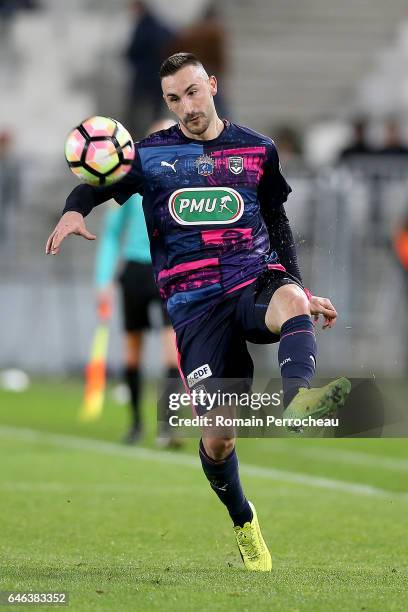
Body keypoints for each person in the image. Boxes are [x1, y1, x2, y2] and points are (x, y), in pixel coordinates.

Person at [46, 53, 351, 572]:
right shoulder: (150, 156)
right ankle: (244, 520)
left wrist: (297, 284)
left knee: (294, 303)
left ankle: (298, 401)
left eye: (192, 92)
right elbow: (96, 185)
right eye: (173, 99)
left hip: (253, 281)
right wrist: (74, 211)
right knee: (219, 436)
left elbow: (276, 221)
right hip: (193, 309)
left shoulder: (257, 148)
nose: (186, 106)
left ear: (212, 85)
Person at [94, 118, 182, 446]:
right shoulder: (131, 184)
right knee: (133, 349)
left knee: (172, 350)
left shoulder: (187, 186)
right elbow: (111, 236)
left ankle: (168, 426)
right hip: (134, 272)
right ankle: (134, 423)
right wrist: (103, 280)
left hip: (169, 273)